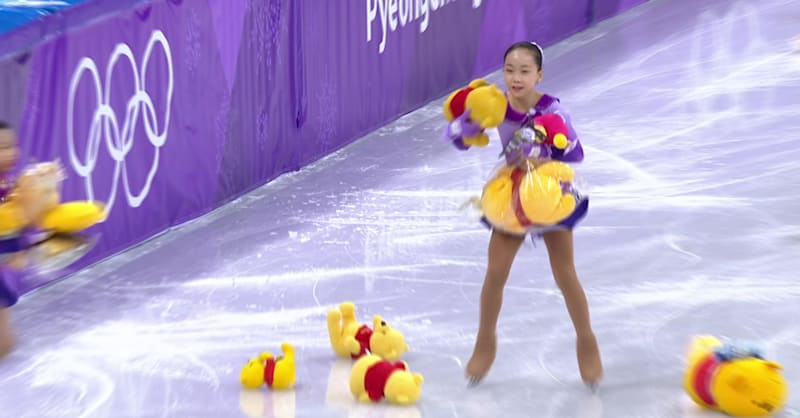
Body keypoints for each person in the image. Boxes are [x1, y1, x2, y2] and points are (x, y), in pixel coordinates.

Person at [444, 41, 603, 387]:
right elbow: (459, 136)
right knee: (496, 270)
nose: (515, 78)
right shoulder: (496, 104)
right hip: (511, 196)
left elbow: (575, 154)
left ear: (539, 75)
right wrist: (465, 129)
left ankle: (586, 339)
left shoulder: (552, 109)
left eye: (524, 71)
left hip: (548, 194)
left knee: (564, 273)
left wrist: (540, 158)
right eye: (509, 70)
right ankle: (485, 340)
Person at [0, 120, 21, 359]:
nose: (10, 153)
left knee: (6, 344)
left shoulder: (10, 184)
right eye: (2, 148)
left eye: (11, 146)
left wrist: (20, 251)